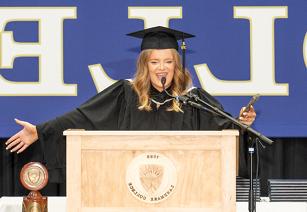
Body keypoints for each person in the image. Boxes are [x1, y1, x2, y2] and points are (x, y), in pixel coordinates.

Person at [5, 26, 256, 182]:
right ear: (145, 66)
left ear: (176, 65)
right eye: (154, 62)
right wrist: (39, 130)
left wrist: (242, 124)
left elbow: (225, 130)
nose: (162, 68)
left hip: (184, 186)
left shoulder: (193, 99)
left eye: (168, 62)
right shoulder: (125, 93)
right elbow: (82, 117)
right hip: (130, 186)